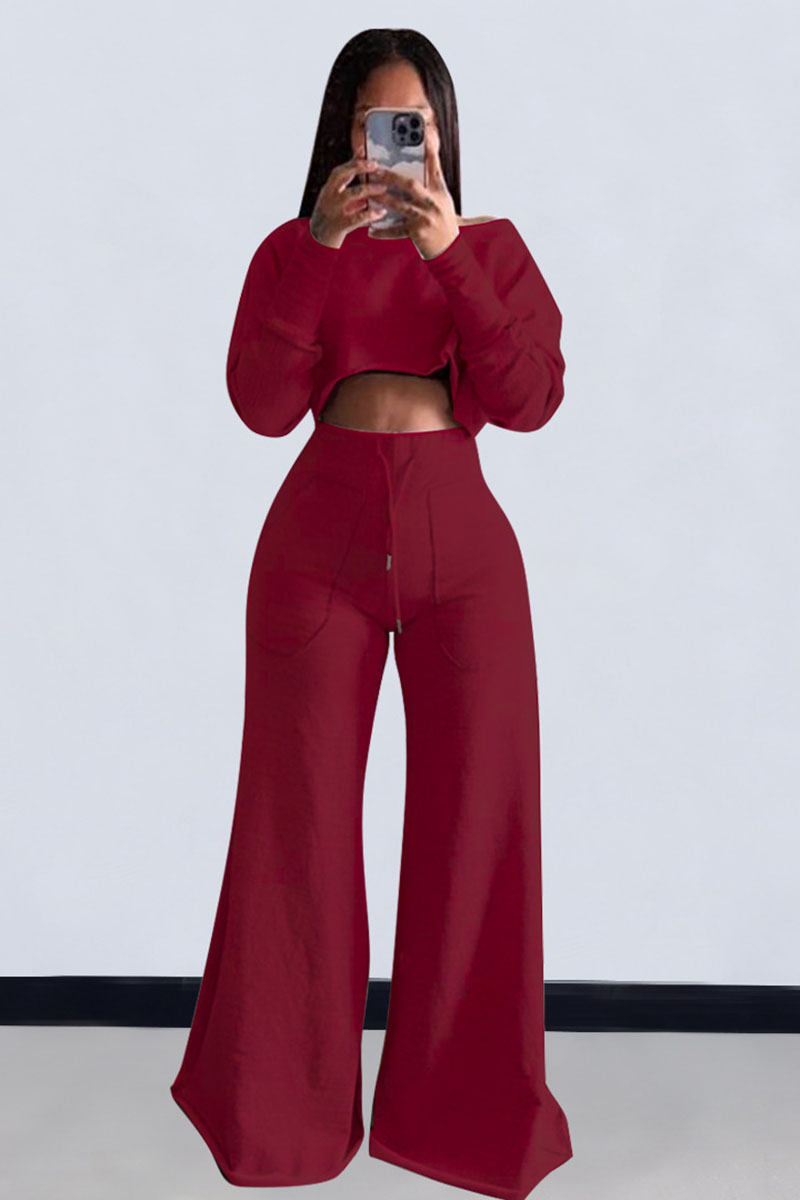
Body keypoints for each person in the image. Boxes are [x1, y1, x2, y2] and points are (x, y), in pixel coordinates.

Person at [170, 27, 573, 1200]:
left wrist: (449, 258)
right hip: (320, 545)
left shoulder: (490, 248)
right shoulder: (294, 250)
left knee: (478, 830)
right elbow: (261, 405)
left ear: (441, 138)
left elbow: (528, 399)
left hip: (463, 549)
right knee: (293, 829)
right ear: (340, 137)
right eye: (375, 128)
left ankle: (461, 1126)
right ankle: (276, 1122)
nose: (395, 151)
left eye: (415, 129)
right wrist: (318, 248)